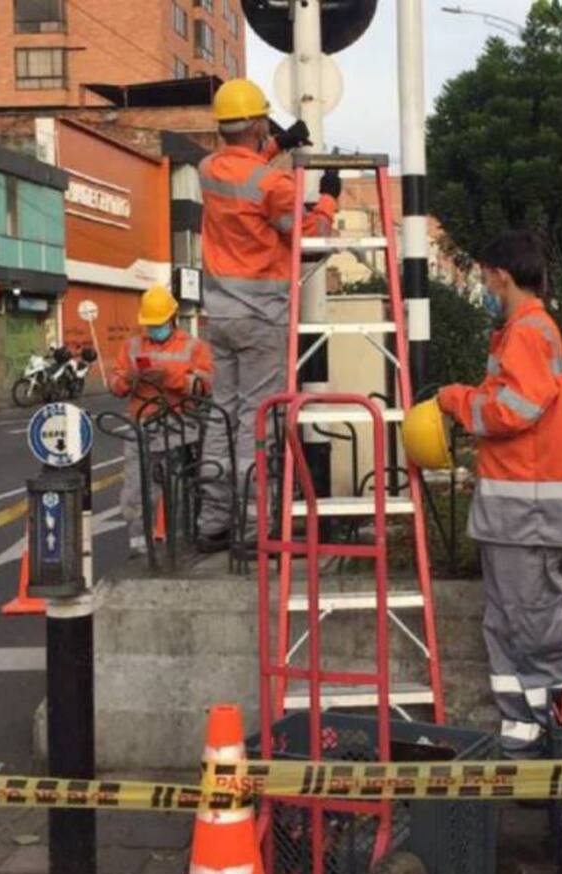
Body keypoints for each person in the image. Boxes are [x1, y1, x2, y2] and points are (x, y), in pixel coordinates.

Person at [435, 231, 562, 758]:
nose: (483, 286)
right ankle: (526, 737)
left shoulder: (527, 332)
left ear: (501, 274)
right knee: (510, 623)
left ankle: (557, 737)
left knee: (530, 626)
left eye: (483, 276)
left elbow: (513, 411)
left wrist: (455, 400)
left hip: (528, 508)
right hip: (521, 507)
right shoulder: (525, 331)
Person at [195, 77, 341, 551]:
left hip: (219, 317)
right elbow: (307, 237)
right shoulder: (273, 184)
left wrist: (280, 142)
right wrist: (330, 200)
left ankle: (212, 522)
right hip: (261, 318)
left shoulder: (207, 169)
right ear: (257, 122)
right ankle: (255, 525)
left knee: (223, 416)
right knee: (258, 421)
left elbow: (245, 169)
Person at [110, 284, 213, 557]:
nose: (154, 329)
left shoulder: (194, 347)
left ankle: (179, 542)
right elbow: (115, 383)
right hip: (141, 425)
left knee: (178, 488)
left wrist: (171, 378)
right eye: (150, 324)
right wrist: (129, 380)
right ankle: (138, 543)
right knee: (137, 488)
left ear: (173, 318)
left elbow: (206, 386)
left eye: (159, 323)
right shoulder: (132, 345)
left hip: (179, 427)